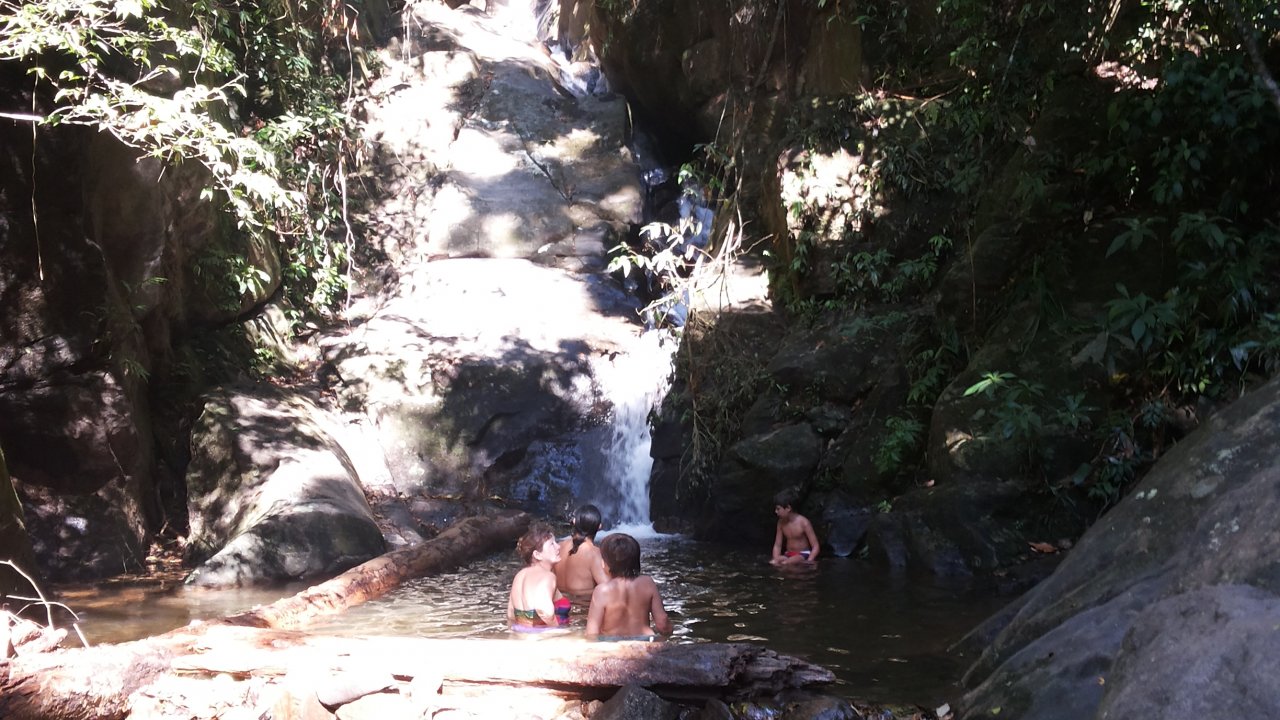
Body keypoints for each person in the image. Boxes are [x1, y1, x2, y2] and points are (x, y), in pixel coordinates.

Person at [585, 533, 673, 640]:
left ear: (605, 563)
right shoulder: (648, 582)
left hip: (614, 644)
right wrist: (668, 635)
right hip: (646, 641)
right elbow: (662, 622)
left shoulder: (602, 591)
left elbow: (591, 634)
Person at [507, 522, 572, 631]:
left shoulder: (519, 576)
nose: (558, 546)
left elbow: (510, 614)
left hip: (523, 637)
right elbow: (545, 612)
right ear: (537, 554)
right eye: (552, 544)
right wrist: (561, 632)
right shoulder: (548, 577)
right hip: (545, 640)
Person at [554, 504, 609, 605]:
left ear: (574, 522)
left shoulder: (558, 546)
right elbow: (608, 589)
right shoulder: (593, 553)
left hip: (560, 608)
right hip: (583, 610)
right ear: (599, 527)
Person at [770, 488, 820, 566]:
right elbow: (777, 545)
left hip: (802, 554)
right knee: (773, 562)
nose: (776, 512)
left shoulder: (804, 522)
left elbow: (815, 546)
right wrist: (776, 558)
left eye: (778, 509)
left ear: (788, 508)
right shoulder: (781, 523)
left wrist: (810, 560)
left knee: (787, 563)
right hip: (788, 554)